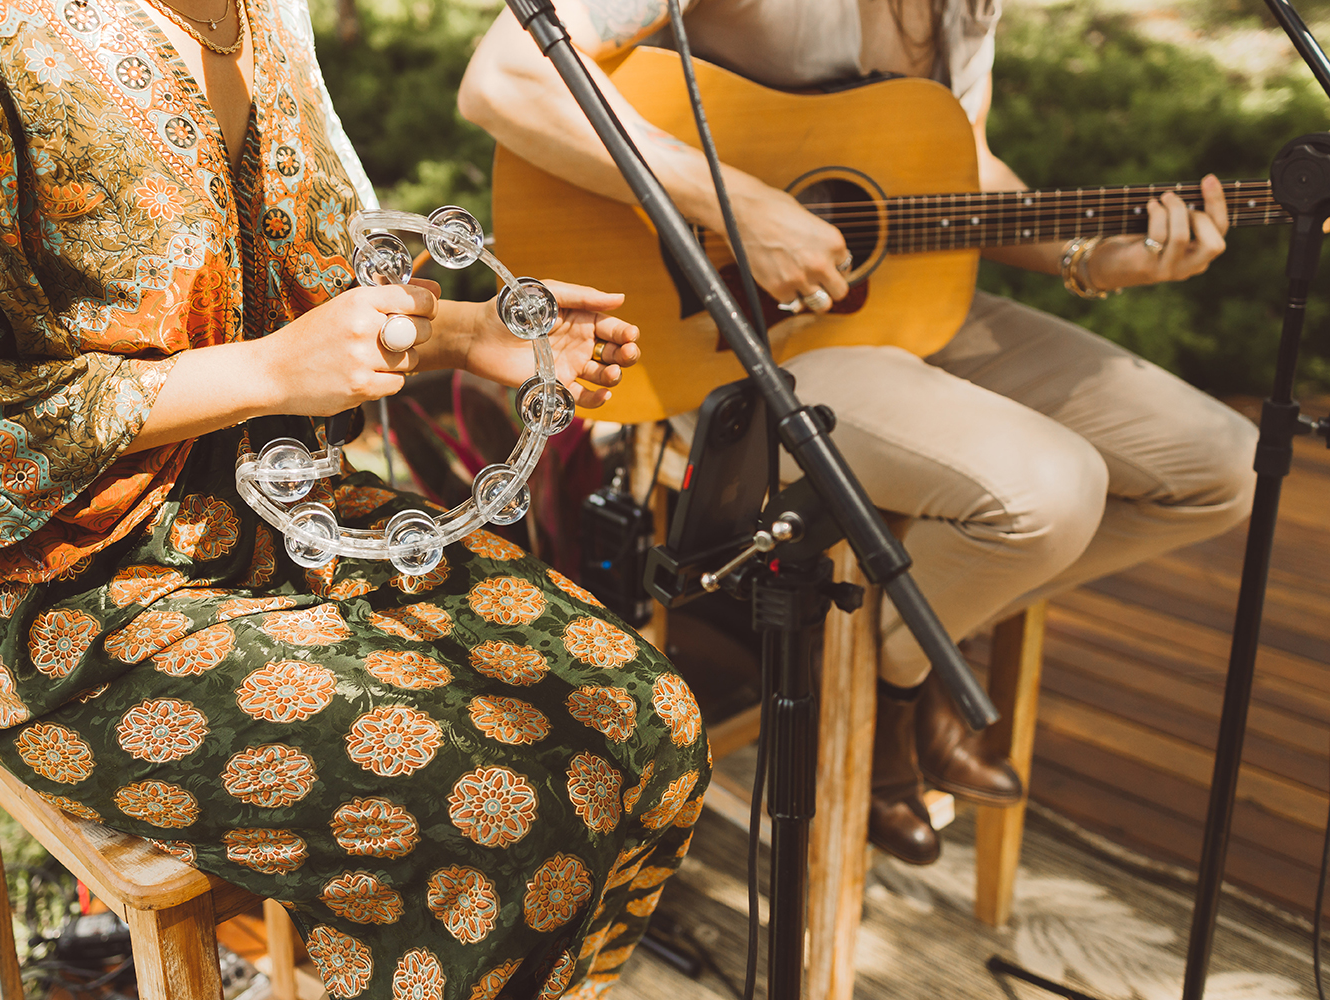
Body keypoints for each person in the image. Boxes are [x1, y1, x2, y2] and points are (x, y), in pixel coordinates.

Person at [0, 0, 711, 994]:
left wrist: (470, 334)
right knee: (505, 819)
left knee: (655, 726)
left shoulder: (259, 11)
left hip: (294, 527)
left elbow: (317, 304)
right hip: (71, 609)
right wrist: (265, 373)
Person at [459, 0, 1257, 864]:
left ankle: (901, 656)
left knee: (1219, 465)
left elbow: (955, 161)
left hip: (895, 307)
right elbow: (505, 80)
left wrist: (1088, 257)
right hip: (717, 334)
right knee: (1048, 490)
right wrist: (746, 209)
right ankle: (900, 686)